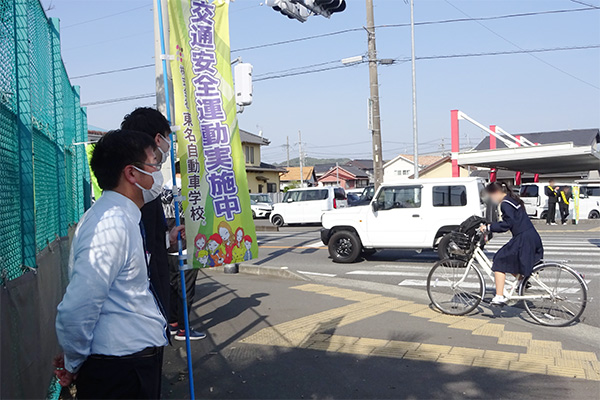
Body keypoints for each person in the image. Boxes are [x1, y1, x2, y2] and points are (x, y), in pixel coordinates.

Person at [54, 130, 169, 399]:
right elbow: (77, 307)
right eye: (154, 163)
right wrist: (74, 362)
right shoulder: (111, 223)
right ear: (131, 173)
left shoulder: (120, 217)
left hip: (124, 365)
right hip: (121, 372)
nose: (158, 172)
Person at [481, 182, 544, 306]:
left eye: (491, 196)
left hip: (523, 238)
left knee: (499, 260)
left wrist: (489, 227)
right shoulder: (512, 200)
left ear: (497, 193)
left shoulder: (505, 204)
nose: (492, 199)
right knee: (511, 260)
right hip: (531, 236)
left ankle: (499, 296)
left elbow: (507, 224)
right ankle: (522, 280)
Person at [161, 176, 206, 341]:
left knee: (172, 288)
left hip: (168, 248)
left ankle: (173, 322)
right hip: (185, 247)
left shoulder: (162, 193)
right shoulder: (189, 193)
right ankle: (183, 329)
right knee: (186, 290)